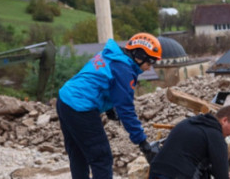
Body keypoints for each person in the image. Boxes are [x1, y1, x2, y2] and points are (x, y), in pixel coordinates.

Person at [57, 33, 162, 178]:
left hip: (65, 100)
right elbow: (126, 110)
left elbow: (101, 81)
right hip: (80, 107)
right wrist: (142, 142)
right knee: (102, 157)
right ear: (139, 55)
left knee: (78, 154)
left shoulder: (111, 55)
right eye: (149, 62)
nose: (150, 68)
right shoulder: (124, 70)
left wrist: (109, 108)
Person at [148, 105, 230, 179]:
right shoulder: (216, 136)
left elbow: (189, 157)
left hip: (156, 171)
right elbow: (222, 176)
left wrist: (214, 171)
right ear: (224, 120)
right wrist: (224, 174)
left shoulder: (191, 123)